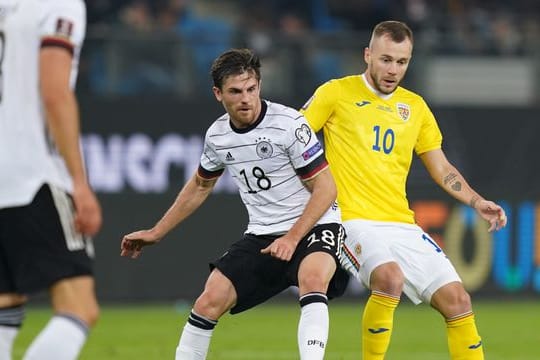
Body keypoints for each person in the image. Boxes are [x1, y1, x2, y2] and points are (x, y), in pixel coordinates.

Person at [120, 48, 348, 360]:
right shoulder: (218, 136)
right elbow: (200, 185)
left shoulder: (289, 125)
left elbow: (326, 189)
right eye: (235, 91)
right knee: (208, 301)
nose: (246, 99)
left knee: (312, 279)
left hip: (314, 224)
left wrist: (292, 238)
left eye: (252, 89)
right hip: (263, 232)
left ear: (259, 86)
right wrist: (157, 232)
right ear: (218, 94)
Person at [300, 20, 507, 360]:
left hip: (401, 223)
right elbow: (295, 140)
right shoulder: (335, 92)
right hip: (349, 219)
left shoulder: (416, 107)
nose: (393, 69)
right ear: (368, 55)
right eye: (385, 59)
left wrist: (475, 199)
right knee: (389, 278)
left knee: (458, 300)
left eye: (401, 61)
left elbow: (441, 167)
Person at [0, 1, 102, 359]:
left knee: (5, 302)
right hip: (30, 173)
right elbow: (55, 92)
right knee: (79, 307)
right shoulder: (58, 4)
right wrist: (79, 180)